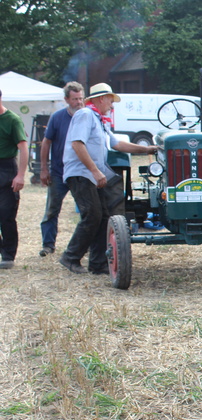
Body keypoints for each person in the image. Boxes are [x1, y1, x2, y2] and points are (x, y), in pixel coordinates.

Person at [59, 83, 157, 275]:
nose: (112, 105)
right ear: (101, 99)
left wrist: (147, 149)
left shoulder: (100, 120)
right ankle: (70, 257)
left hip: (90, 174)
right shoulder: (85, 115)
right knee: (93, 215)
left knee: (104, 217)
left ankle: (97, 264)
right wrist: (95, 171)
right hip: (81, 174)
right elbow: (77, 144)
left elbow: (118, 144)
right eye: (111, 100)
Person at [38, 81, 85, 257]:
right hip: (59, 172)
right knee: (52, 209)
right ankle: (48, 245)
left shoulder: (88, 117)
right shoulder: (57, 118)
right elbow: (46, 142)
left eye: (81, 98)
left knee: (85, 210)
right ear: (66, 100)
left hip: (80, 172)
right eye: (75, 99)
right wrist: (44, 169)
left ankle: (82, 245)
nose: (79, 102)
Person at [0, 88, 29, 270]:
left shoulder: (12, 120)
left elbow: (23, 148)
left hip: (7, 167)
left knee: (6, 215)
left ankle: (8, 254)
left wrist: (20, 175)